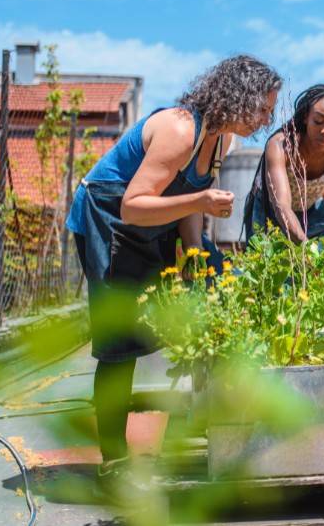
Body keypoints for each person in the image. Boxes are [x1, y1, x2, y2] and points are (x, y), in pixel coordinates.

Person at [64, 55, 281, 500]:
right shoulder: (181, 129)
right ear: (238, 95)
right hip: (110, 219)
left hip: (150, 226)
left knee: (207, 294)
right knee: (120, 344)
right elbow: (133, 204)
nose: (267, 119)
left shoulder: (219, 142)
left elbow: (186, 207)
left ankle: (201, 427)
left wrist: (199, 258)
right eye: (263, 107)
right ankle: (115, 460)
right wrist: (202, 199)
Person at [244, 84, 324, 244]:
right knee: (268, 266)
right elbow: (281, 206)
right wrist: (306, 248)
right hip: (270, 214)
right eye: (318, 121)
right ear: (305, 117)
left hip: (309, 211)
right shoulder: (282, 145)